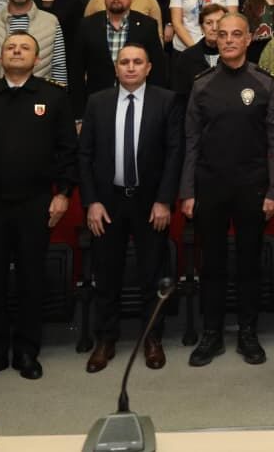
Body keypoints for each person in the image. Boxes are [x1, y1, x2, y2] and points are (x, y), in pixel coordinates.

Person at [0, 31, 77, 383]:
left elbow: (67, 151)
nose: (16, 51)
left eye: (25, 48)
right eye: (10, 47)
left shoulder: (54, 97)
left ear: (37, 59)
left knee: (31, 278)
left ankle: (27, 350)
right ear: (0, 57)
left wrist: (63, 193)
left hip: (36, 202)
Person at [181, 13, 274, 367]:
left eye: (236, 34)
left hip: (252, 187)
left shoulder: (264, 83)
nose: (228, 40)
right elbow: (191, 141)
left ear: (247, 39)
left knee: (249, 262)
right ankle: (211, 334)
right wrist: (188, 192)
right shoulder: (202, 85)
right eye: (222, 34)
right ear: (215, 38)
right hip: (210, 187)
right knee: (211, 263)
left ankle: (248, 332)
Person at [79, 41, 182, 374]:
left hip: (150, 202)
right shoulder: (97, 102)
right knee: (107, 273)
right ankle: (106, 340)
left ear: (149, 68)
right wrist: (91, 202)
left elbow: (174, 153)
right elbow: (84, 155)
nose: (131, 67)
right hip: (107, 202)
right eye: (125, 62)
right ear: (116, 67)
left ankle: (152, 338)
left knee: (152, 273)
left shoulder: (166, 101)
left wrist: (164, 200)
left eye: (138, 61)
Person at [77, 0, 162, 118]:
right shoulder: (87, 25)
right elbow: (76, 72)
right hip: (98, 105)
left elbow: (158, 70)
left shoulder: (147, 25)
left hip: (139, 104)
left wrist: (156, 109)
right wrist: (79, 116)